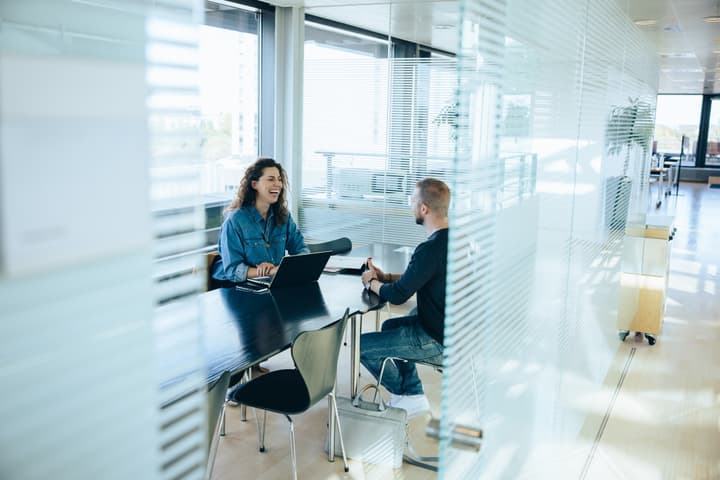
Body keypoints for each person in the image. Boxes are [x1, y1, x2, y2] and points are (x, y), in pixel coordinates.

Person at [360, 177, 449, 418]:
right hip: (452, 333)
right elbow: (422, 276)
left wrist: (372, 282)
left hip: (437, 340)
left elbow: (398, 296)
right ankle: (411, 392)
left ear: (424, 208)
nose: (410, 206)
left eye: (412, 201)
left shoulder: (430, 248)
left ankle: (406, 396)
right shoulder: (452, 241)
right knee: (390, 325)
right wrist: (386, 276)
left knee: (362, 347)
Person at [211, 157, 309, 286]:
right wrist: (267, 271)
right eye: (271, 179)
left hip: (269, 284)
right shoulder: (234, 221)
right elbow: (233, 271)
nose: (278, 184)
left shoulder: (283, 216)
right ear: (254, 184)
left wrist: (284, 268)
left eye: (279, 179)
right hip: (235, 288)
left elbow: (301, 250)